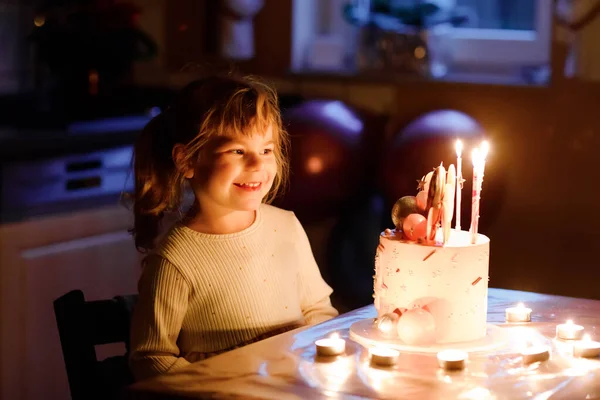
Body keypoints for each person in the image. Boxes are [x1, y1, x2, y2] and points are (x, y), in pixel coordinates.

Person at [128, 73, 338, 381]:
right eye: (237, 151)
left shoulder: (287, 227)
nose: (257, 164)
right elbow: (151, 357)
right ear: (187, 160)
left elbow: (319, 310)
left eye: (266, 150)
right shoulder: (176, 260)